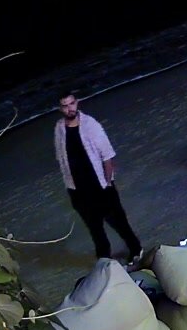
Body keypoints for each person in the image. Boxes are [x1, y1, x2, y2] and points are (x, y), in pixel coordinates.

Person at [54, 92, 144, 266]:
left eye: (71, 103)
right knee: (94, 228)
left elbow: (107, 156)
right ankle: (104, 260)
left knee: (118, 222)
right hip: (77, 190)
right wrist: (70, 188)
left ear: (77, 103)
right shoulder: (59, 128)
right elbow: (61, 158)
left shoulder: (90, 125)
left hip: (100, 186)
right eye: (65, 105)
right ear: (60, 108)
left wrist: (108, 184)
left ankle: (136, 248)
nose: (69, 108)